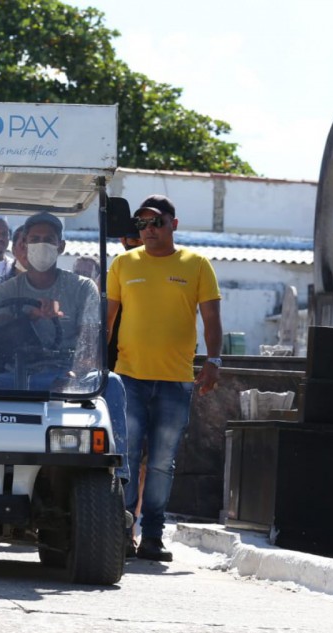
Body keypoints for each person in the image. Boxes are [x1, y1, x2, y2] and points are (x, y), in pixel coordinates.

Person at [107, 194, 222, 563]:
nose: (149, 229)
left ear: (174, 223)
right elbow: (106, 321)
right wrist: (93, 363)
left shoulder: (197, 264)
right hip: (129, 380)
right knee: (123, 457)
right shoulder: (122, 264)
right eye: (142, 223)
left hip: (175, 383)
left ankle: (153, 536)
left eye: (156, 222)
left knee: (160, 462)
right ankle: (121, 532)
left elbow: (211, 320)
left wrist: (214, 361)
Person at [0, 212, 100, 388]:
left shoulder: (83, 288)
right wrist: (31, 317)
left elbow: (89, 344)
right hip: (14, 376)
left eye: (48, 239)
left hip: (66, 374)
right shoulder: (1, 293)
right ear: (24, 245)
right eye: (35, 239)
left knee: (112, 382)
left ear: (61, 246)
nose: (42, 245)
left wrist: (75, 375)